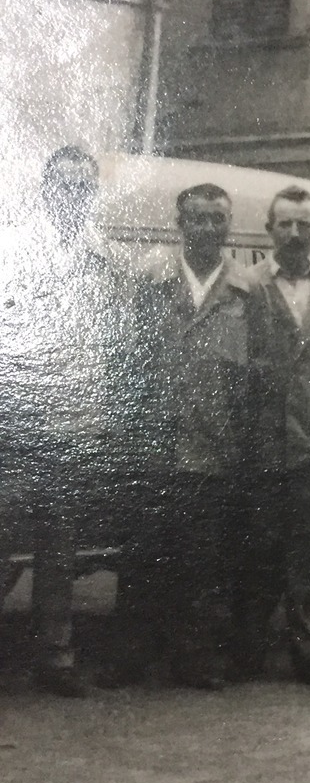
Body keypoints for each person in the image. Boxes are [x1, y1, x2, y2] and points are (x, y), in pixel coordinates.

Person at [103, 183, 269, 691]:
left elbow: (258, 373)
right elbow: (126, 360)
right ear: (180, 224)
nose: (207, 227)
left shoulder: (247, 290)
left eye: (217, 218)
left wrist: (245, 443)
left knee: (204, 560)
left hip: (214, 446)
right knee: (143, 557)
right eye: (196, 218)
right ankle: (132, 656)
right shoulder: (151, 280)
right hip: (154, 444)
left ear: (229, 224)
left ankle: (195, 657)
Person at [0, 146, 126, 697]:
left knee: (59, 547)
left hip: (74, 426)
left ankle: (56, 652)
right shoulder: (12, 248)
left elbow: (103, 346)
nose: (71, 193)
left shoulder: (103, 256)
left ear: (91, 193)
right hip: (16, 424)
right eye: (62, 184)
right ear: (45, 189)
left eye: (82, 185)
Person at [233, 185, 310, 689]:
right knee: (256, 547)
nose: (295, 234)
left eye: (304, 225)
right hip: (261, 439)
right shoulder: (248, 285)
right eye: (285, 224)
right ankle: (247, 647)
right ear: (269, 230)